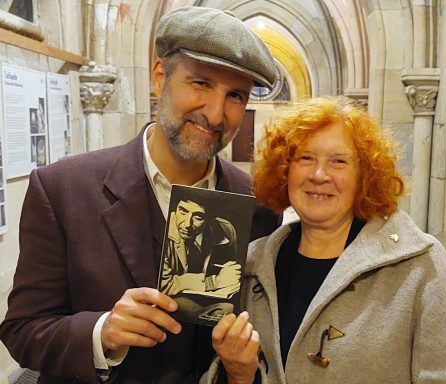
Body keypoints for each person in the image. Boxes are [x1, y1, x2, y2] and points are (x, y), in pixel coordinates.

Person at [0, 6, 281, 384]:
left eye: (235, 95)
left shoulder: (257, 204)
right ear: (159, 75)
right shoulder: (63, 189)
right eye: (200, 84)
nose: (215, 115)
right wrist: (103, 332)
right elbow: (22, 330)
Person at [206, 97, 446, 383]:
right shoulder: (251, 267)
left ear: (365, 176)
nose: (319, 175)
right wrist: (240, 374)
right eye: (305, 158)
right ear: (285, 170)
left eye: (338, 161)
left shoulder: (422, 266)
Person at [160, 198, 241, 323]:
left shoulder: (226, 231)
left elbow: (232, 270)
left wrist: (234, 274)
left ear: (210, 218)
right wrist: (215, 281)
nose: (187, 224)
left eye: (198, 217)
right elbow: (164, 285)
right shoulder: (162, 228)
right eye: (183, 211)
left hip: (212, 299)